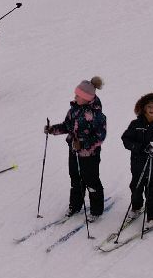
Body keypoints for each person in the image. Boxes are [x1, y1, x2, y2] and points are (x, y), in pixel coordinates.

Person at [45, 76, 107, 218]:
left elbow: (100, 137)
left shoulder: (96, 115)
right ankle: (75, 206)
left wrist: (84, 144)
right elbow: (67, 126)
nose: (75, 97)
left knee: (91, 180)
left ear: (87, 98)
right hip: (74, 150)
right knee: (75, 179)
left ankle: (96, 211)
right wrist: (52, 129)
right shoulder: (73, 110)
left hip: (89, 154)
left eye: (78, 95)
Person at [119, 92, 153, 224]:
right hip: (138, 164)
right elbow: (126, 139)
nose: (151, 109)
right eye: (148, 106)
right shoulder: (136, 123)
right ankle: (136, 208)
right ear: (143, 108)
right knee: (135, 188)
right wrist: (141, 148)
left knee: (151, 191)